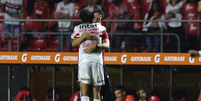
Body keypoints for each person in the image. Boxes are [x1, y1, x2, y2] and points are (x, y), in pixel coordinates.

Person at [71, 9, 110, 101]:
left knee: (84, 93)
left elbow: (73, 43)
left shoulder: (77, 28)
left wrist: (84, 36)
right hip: (97, 61)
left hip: (84, 61)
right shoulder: (100, 27)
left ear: (81, 19)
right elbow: (104, 31)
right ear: (91, 18)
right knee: (96, 92)